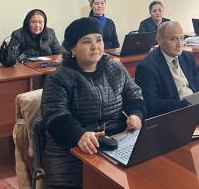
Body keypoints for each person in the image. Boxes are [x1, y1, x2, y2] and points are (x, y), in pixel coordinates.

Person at [41, 17, 145, 188]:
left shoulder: (116, 69)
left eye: (99, 40)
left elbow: (135, 96)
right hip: (72, 151)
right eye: (86, 42)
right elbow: (55, 115)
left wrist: (136, 114)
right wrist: (79, 134)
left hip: (115, 143)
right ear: (73, 49)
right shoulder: (59, 78)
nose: (95, 46)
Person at [135, 21, 199, 117]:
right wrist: (187, 104)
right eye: (174, 39)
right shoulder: (147, 67)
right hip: (174, 115)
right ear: (159, 39)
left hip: (197, 110)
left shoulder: (188, 57)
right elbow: (151, 104)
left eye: (182, 38)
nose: (179, 44)